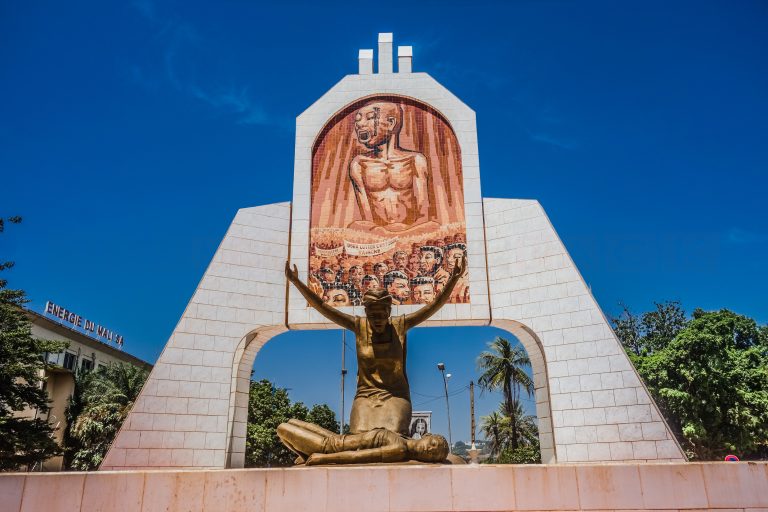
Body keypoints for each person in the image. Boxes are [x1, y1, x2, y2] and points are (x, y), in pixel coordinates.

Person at [284, 257, 465, 435]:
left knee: (392, 436)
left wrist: (454, 278)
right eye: (372, 315)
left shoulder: (400, 325)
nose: (377, 320)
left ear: (389, 312)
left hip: (396, 395)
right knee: (358, 436)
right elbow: (323, 307)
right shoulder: (359, 326)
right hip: (365, 395)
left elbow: (434, 305)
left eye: (381, 315)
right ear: (366, 313)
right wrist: (296, 282)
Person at [347, 101, 438, 236]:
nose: (360, 124)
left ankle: (396, 236)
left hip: (411, 228)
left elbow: (422, 213)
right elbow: (367, 219)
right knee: (355, 226)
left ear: (391, 123)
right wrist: (379, 232)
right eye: (358, 120)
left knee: (433, 226)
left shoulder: (415, 160)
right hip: (379, 231)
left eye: (370, 117)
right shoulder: (359, 164)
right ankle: (394, 237)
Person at [277, 418, 448, 465]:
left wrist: (323, 458)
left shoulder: (400, 449)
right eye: (433, 444)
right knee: (292, 421)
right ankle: (304, 455)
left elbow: (358, 457)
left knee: (282, 428)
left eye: (434, 455)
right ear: (428, 435)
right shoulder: (404, 439)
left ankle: (306, 455)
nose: (431, 450)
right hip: (334, 437)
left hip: (328, 447)